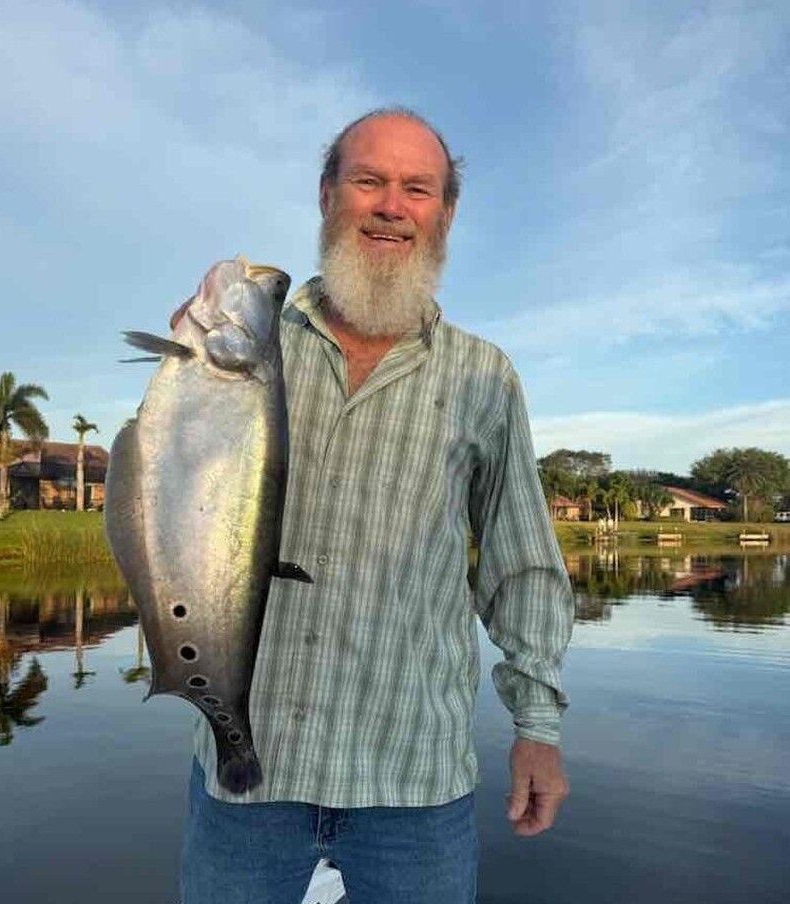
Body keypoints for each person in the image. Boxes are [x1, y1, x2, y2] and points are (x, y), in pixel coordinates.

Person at [174, 107, 575, 904]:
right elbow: (168, 493)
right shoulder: (246, 341)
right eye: (369, 181)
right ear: (328, 195)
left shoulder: (484, 376)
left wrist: (538, 728)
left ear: (445, 214)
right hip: (247, 776)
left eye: (417, 188)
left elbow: (522, 563)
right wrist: (184, 369)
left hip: (414, 784)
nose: (392, 205)